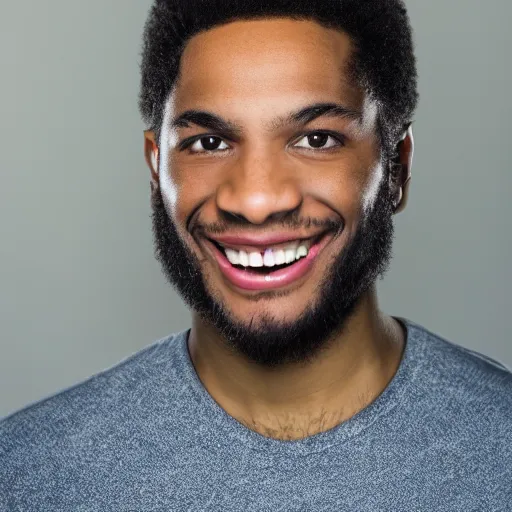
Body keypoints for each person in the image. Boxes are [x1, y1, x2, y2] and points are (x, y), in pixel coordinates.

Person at [1, 0, 511, 509]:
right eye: (209, 142)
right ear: (156, 171)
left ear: (396, 167)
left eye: (316, 139)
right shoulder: (23, 475)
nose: (256, 201)